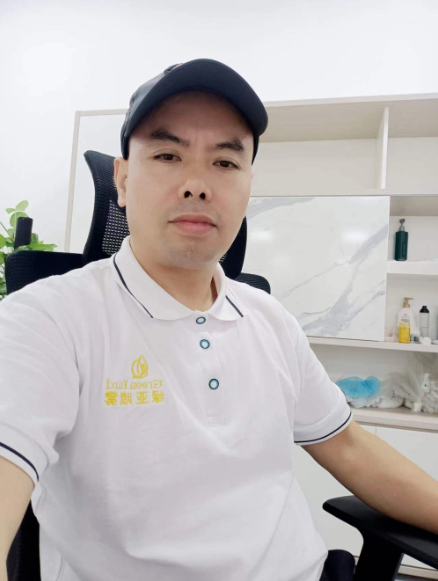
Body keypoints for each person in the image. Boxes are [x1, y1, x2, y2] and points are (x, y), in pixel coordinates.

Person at [1, 59, 437, 581]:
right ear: (122, 180)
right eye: (167, 155)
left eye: (225, 162)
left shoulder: (271, 320)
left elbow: (348, 446)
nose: (197, 185)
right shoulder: (46, 320)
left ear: (248, 185)